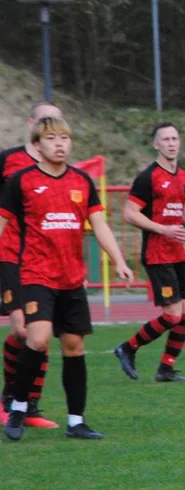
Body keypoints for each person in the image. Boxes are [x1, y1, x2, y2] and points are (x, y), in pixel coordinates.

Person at [0, 116, 135, 440]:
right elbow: (3, 223)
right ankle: (18, 405)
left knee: (74, 348)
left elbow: (99, 225)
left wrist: (118, 259)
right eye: (50, 138)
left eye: (64, 137)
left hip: (72, 278)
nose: (59, 144)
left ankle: (76, 421)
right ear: (37, 145)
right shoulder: (21, 181)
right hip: (36, 274)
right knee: (37, 338)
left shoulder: (82, 182)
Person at [113, 122, 185, 383]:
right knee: (172, 315)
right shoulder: (148, 177)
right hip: (157, 254)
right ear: (156, 144)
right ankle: (127, 348)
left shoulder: (184, 176)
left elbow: (179, 209)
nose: (171, 143)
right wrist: (163, 229)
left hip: (177, 252)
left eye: (175, 138)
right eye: (166, 139)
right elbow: (130, 213)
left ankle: (166, 369)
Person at [0, 101, 64, 429]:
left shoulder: (59, 166)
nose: (51, 127)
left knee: (43, 333)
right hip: (11, 254)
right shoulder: (8, 159)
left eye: (57, 124)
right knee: (22, 330)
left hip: (46, 260)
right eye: (44, 122)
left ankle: (31, 406)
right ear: (30, 125)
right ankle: (9, 399)